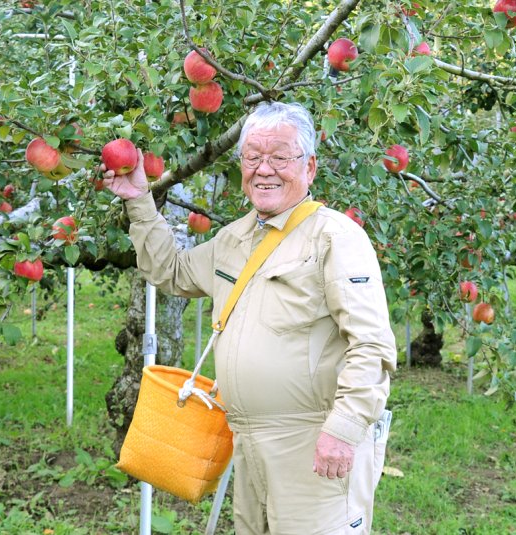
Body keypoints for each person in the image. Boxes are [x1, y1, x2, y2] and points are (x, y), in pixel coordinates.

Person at [102, 101, 396, 535]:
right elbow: (171, 271)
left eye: (280, 157)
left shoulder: (335, 238)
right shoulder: (236, 238)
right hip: (246, 440)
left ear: (310, 166)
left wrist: (345, 428)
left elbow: (371, 344)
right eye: (253, 157)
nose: (264, 169)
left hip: (310, 441)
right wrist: (140, 201)